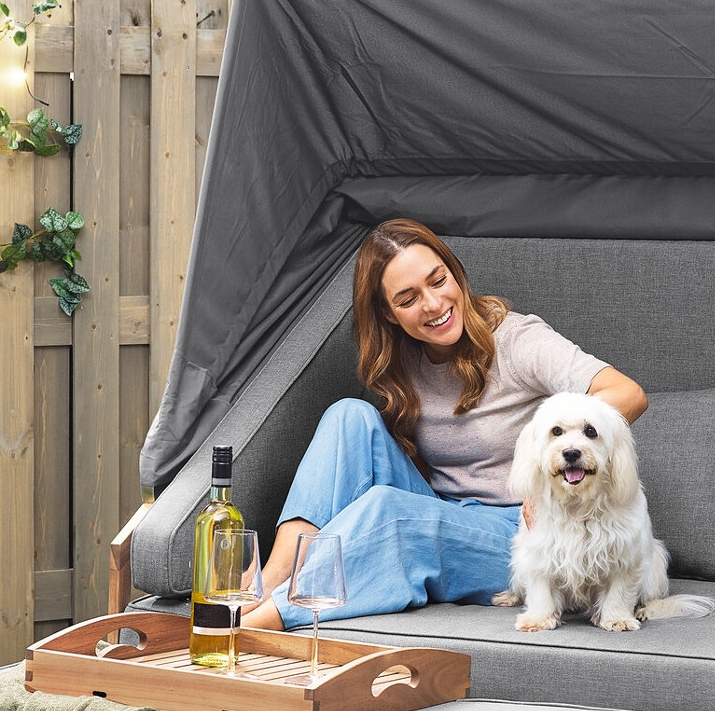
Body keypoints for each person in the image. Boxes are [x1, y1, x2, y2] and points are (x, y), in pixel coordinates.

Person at [245, 219, 646, 626]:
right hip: (444, 509)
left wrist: (540, 483)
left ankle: (265, 621)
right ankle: (272, 578)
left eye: (438, 281)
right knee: (349, 416)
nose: (433, 304)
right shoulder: (404, 359)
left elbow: (627, 393)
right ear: (388, 313)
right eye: (408, 299)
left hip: (517, 531)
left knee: (392, 511)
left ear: (455, 273)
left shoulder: (518, 341)